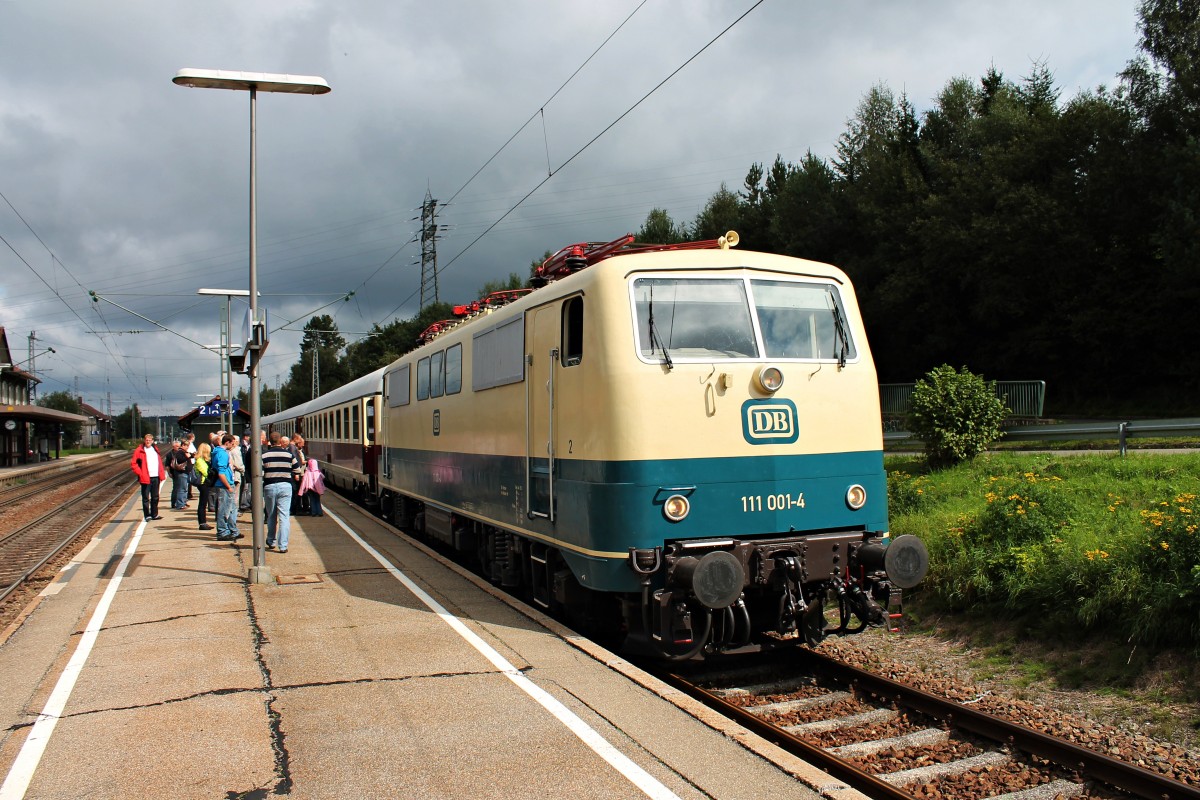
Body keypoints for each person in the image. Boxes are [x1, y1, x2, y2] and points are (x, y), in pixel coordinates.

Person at [263, 431, 301, 553]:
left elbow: (260, 472)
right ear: (280, 441)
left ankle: (271, 540)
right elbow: (297, 470)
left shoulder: (264, 455)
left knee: (271, 515)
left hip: (269, 486)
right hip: (285, 486)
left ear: (270, 441)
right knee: (284, 516)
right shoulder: (289, 455)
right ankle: (283, 545)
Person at [130, 433, 164, 521]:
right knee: (146, 497)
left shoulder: (155, 449)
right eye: (146, 440)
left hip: (155, 476)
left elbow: (159, 461)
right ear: (144, 441)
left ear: (152, 441)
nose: (148, 441)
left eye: (150, 440)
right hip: (145, 477)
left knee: (155, 496)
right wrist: (140, 473)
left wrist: (161, 473)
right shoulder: (139, 450)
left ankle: (154, 514)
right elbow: (134, 464)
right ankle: (147, 515)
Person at [213, 433, 240, 542]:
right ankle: (223, 532)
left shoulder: (217, 452)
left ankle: (232, 530)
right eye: (232, 444)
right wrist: (228, 486)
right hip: (224, 485)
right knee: (224, 509)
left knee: (232, 508)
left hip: (225, 483)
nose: (233, 446)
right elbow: (221, 472)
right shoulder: (222, 454)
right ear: (227, 442)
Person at [165, 439, 191, 510]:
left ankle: (183, 502)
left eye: (178, 446)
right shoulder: (171, 454)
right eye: (176, 446)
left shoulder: (182, 452)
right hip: (177, 472)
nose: (177, 447)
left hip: (181, 472)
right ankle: (176, 503)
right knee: (178, 488)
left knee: (183, 488)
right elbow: (167, 465)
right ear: (173, 447)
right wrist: (169, 473)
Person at [195, 442, 214, 531]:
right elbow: (206, 472)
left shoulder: (202, 460)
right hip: (203, 484)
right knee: (202, 504)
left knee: (203, 503)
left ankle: (203, 522)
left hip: (205, 483)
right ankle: (202, 523)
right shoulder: (200, 460)